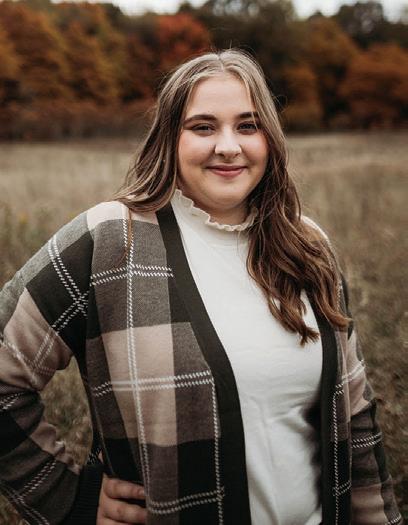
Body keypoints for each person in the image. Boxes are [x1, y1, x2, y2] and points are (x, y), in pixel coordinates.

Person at [0, 48, 402, 525]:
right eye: (203, 127)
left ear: (270, 138)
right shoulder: (110, 239)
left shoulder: (308, 246)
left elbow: (355, 415)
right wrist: (72, 501)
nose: (228, 146)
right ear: (169, 138)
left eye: (248, 126)